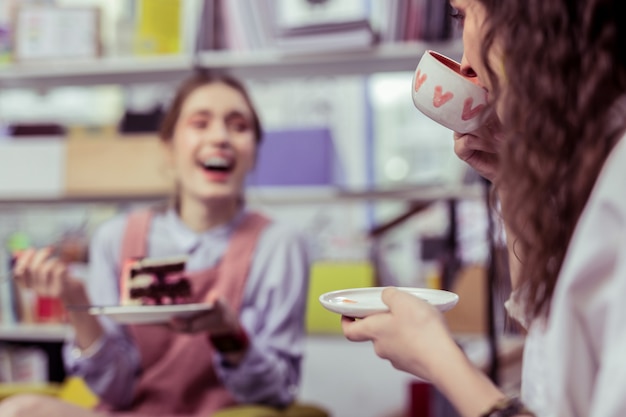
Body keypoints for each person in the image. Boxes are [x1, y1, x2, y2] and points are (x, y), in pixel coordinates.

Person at [342, 0, 626, 416]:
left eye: (465, 14)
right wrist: (513, 178)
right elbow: (550, 332)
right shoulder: (596, 163)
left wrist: (440, 359)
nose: (465, 64)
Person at [1, 72, 322, 417]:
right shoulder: (117, 237)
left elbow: (277, 394)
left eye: (238, 126)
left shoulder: (279, 245)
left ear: (254, 153)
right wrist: (75, 300)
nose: (220, 137)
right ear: (168, 147)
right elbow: (116, 391)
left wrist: (230, 335)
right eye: (200, 123)